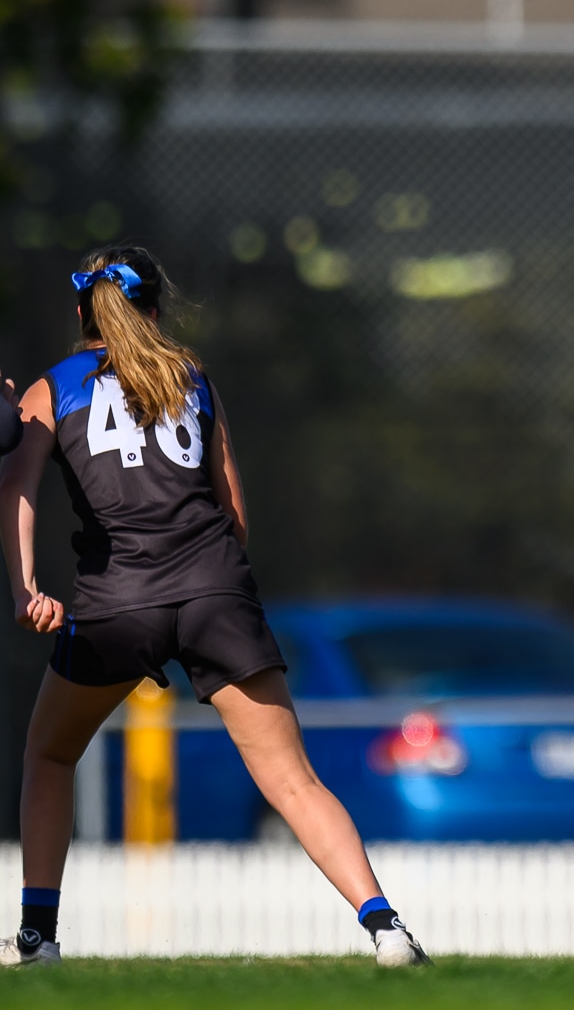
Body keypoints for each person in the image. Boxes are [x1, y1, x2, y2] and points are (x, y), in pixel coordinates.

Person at [1, 248, 429, 968]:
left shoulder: (53, 388)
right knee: (294, 779)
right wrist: (210, 591)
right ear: (156, 309)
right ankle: (387, 928)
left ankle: (38, 936)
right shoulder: (190, 375)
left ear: (83, 314)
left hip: (116, 603)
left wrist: (24, 590)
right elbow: (232, 510)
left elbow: (14, 487)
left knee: (50, 752)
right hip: (216, 592)